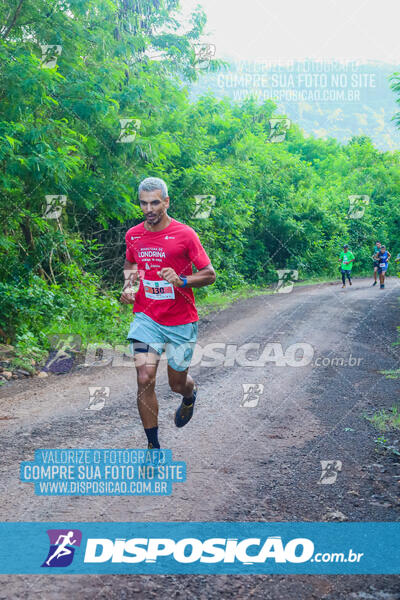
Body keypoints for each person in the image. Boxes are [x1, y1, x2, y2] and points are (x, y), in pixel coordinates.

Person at [120, 177, 216, 449]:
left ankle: (190, 395)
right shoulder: (134, 235)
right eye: (143, 203)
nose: (149, 209)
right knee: (144, 378)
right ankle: (153, 446)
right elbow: (131, 264)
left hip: (180, 321)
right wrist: (130, 287)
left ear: (166, 202)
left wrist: (182, 280)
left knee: (177, 383)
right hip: (146, 318)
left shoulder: (185, 234)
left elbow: (210, 275)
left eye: (155, 203)